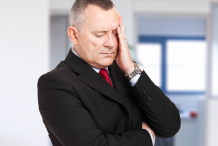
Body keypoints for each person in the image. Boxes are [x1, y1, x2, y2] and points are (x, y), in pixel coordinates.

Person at [37, 0, 181, 145]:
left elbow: (170, 126)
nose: (111, 43)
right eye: (100, 34)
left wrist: (131, 68)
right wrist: (147, 136)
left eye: (115, 33)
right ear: (74, 35)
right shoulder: (55, 83)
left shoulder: (127, 72)